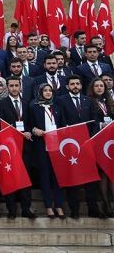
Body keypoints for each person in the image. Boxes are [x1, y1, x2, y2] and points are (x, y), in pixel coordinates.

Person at [57, 74, 104, 219]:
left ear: (81, 85)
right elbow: (61, 122)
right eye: (72, 84)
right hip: (70, 146)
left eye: (77, 83)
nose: (75, 86)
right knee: (73, 178)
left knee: (91, 178)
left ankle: (93, 208)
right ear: (67, 86)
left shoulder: (88, 100)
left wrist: (90, 139)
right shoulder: (61, 100)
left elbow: (95, 122)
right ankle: (74, 209)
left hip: (87, 145)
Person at [0, 76, 37, 219]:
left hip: (24, 146)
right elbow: (0, 125)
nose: (14, 88)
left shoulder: (26, 104)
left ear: (20, 87)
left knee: (25, 178)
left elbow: (30, 123)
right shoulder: (1, 104)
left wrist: (29, 132)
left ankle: (26, 208)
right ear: (7, 88)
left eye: (16, 85)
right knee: (9, 177)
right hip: (9, 147)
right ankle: (11, 209)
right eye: (11, 86)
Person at [29, 82, 67, 219]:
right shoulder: (33, 108)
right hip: (42, 147)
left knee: (58, 178)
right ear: (40, 92)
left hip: (56, 148)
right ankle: (48, 207)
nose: (48, 93)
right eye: (45, 90)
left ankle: (59, 206)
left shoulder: (57, 108)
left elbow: (63, 125)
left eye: (50, 90)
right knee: (44, 178)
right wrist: (35, 130)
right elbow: (29, 125)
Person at [86, 77, 114, 216]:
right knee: (103, 171)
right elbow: (89, 120)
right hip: (98, 140)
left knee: (111, 171)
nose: (99, 88)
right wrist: (100, 124)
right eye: (96, 85)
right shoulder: (89, 102)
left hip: (110, 141)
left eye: (101, 86)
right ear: (92, 88)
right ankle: (107, 205)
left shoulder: (110, 102)